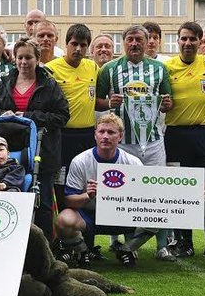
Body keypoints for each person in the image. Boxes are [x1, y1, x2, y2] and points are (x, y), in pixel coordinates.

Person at [95, 25, 175, 261]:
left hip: (152, 140)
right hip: (123, 142)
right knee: (121, 189)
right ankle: (117, 238)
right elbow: (97, 102)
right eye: (130, 39)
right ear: (123, 42)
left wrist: (166, 104)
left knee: (157, 189)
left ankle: (162, 246)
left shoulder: (159, 69)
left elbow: (169, 101)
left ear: (148, 41)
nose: (134, 44)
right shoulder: (110, 69)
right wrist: (109, 102)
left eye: (139, 39)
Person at [0, 37, 70, 239]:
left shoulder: (49, 84)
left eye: (28, 58)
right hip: (11, 154)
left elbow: (62, 116)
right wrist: (5, 114)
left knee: (42, 203)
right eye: (20, 57)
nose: (24, 62)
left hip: (43, 151)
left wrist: (28, 116)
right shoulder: (5, 83)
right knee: (12, 198)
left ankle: (45, 249)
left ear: (37, 59)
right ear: (14, 59)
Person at [163, 22, 205, 258]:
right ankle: (184, 242)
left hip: (203, 133)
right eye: (184, 39)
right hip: (176, 135)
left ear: (200, 42)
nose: (188, 43)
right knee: (180, 191)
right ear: (177, 41)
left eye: (193, 39)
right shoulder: (166, 67)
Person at [55, 114, 144, 267]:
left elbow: (148, 196)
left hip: (123, 214)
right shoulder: (80, 161)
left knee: (159, 216)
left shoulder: (133, 162)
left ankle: (126, 250)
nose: (105, 136)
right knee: (64, 219)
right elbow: (69, 200)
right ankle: (83, 251)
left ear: (120, 136)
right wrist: (87, 195)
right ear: (95, 135)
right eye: (101, 132)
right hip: (90, 215)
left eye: (111, 132)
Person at [45, 24, 98, 222]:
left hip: (86, 136)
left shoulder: (92, 67)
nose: (78, 49)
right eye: (74, 44)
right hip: (61, 137)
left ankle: (86, 240)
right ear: (65, 44)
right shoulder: (51, 69)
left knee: (87, 185)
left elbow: (98, 99)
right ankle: (61, 233)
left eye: (83, 45)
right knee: (60, 184)